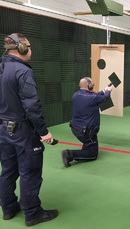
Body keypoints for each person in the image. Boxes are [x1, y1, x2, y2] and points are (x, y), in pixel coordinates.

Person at [0, 33, 58, 226]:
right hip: (23, 131)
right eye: (29, 46)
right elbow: (32, 106)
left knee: (8, 170)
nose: (31, 49)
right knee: (30, 172)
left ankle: (8, 209)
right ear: (22, 48)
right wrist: (43, 132)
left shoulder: (1, 68)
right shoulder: (22, 71)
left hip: (3, 129)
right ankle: (32, 213)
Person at [61, 77, 113, 167]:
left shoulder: (76, 95)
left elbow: (94, 96)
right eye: (91, 83)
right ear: (88, 85)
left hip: (75, 128)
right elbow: (105, 98)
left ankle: (86, 146)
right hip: (86, 132)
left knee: (89, 144)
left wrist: (103, 90)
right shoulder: (93, 98)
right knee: (93, 154)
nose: (93, 85)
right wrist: (108, 91)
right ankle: (69, 154)